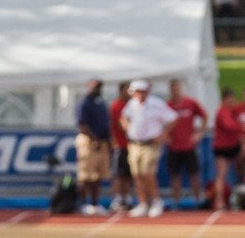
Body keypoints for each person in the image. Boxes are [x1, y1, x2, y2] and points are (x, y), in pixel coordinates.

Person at [120, 79, 177, 218]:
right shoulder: (131, 104)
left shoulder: (156, 103)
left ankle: (156, 201)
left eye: (142, 91)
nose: (140, 94)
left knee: (147, 173)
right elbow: (123, 116)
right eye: (138, 91)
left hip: (151, 144)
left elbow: (173, 118)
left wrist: (163, 134)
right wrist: (128, 128)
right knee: (137, 174)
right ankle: (143, 203)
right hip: (135, 144)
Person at [165, 79, 208, 208]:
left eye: (177, 89)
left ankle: (197, 200)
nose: (175, 92)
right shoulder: (167, 105)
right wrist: (165, 135)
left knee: (194, 173)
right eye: (173, 89)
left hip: (189, 145)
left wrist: (199, 133)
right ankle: (176, 201)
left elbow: (204, 116)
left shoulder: (190, 103)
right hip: (174, 146)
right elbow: (159, 121)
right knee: (175, 175)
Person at [74, 78, 111, 215]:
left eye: (99, 87)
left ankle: (95, 204)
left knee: (98, 175)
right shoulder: (85, 103)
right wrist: (93, 139)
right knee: (85, 175)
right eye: (95, 87)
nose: (98, 90)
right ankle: (83, 204)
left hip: (102, 142)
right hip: (88, 142)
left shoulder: (101, 103)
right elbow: (82, 124)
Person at [211, 87, 242, 211]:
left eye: (233, 100)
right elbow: (228, 125)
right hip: (223, 148)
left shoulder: (232, 110)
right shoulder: (223, 111)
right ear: (224, 99)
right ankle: (219, 201)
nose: (232, 102)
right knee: (222, 174)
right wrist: (242, 127)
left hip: (232, 146)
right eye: (230, 100)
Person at [109, 81, 134, 211]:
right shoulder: (116, 106)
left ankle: (127, 198)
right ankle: (118, 199)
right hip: (119, 144)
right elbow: (120, 125)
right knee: (118, 173)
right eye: (127, 89)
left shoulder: (132, 104)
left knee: (128, 174)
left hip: (131, 145)